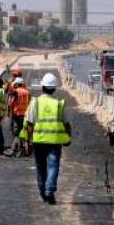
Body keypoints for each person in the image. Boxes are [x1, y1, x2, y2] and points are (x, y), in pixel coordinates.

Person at [26, 72, 72, 204]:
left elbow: (30, 123)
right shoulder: (59, 104)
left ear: (42, 87)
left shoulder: (35, 102)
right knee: (53, 166)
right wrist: (68, 137)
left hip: (39, 140)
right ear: (54, 88)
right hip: (54, 141)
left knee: (41, 167)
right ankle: (49, 190)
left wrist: (29, 140)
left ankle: (43, 191)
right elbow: (67, 124)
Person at [8, 77, 30, 157]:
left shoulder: (16, 92)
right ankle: (21, 150)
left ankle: (16, 149)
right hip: (25, 114)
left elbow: (11, 104)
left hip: (16, 114)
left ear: (17, 84)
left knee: (17, 133)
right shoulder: (27, 92)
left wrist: (10, 113)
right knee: (23, 132)